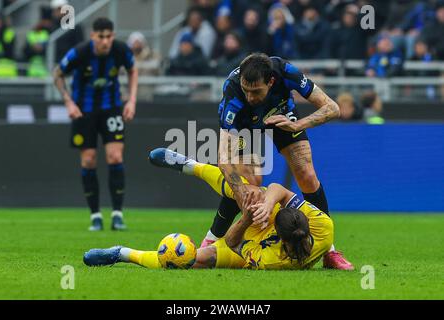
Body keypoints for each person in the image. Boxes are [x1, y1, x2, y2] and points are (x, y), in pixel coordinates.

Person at [205, 53, 353, 270]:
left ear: (271, 81)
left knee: (307, 175)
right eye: (246, 90)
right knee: (248, 182)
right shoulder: (233, 91)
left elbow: (332, 108)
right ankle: (211, 239)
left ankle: (329, 252)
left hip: (282, 118)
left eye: (256, 92)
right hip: (245, 126)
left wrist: (297, 124)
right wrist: (241, 192)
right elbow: (224, 160)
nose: (250, 97)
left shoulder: (286, 72)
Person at [84, 149, 339, 270]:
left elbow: (231, 241)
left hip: (246, 242)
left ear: (281, 236)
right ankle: (190, 165)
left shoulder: (273, 262)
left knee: (188, 260)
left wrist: (248, 219)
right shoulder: (322, 225)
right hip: (270, 223)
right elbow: (279, 189)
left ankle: (122, 253)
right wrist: (270, 204)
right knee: (244, 189)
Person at [53, 17, 138, 231]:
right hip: (84, 111)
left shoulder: (120, 50)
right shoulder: (80, 53)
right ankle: (95, 216)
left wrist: (132, 100)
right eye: (101, 37)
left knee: (115, 156)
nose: (105, 41)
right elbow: (57, 74)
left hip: (111, 108)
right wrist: (68, 102)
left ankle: (117, 215)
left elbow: (133, 69)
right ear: (93, 36)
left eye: (109, 36)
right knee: (89, 160)